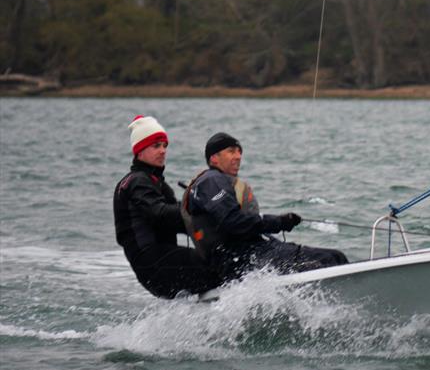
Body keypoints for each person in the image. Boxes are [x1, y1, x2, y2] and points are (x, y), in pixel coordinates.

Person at [182, 132, 348, 283]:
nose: (238, 156)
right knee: (330, 259)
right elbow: (233, 222)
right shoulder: (211, 180)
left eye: (239, 152)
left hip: (255, 251)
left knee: (334, 256)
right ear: (214, 158)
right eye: (231, 151)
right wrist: (279, 222)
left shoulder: (217, 181)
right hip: (240, 259)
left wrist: (279, 222)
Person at [113, 116, 221, 298]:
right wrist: (196, 206)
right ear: (139, 151)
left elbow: (183, 221)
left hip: (160, 264)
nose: (163, 151)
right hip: (154, 263)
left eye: (165, 146)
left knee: (219, 256)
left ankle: (206, 309)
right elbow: (159, 214)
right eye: (156, 146)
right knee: (222, 265)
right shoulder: (137, 181)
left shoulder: (158, 184)